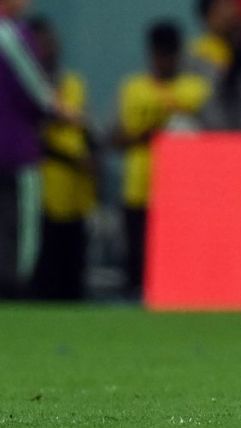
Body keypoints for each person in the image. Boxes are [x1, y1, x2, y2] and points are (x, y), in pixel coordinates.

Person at [116, 21, 209, 298]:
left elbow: (210, 136)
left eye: (169, 55)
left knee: (178, 260)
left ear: (179, 55)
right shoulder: (134, 88)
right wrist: (150, 135)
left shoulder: (196, 90)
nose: (164, 61)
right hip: (140, 186)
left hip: (182, 190)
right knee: (137, 259)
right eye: (159, 54)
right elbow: (115, 137)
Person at [0, 0, 75, 299]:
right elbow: (34, 86)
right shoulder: (9, 33)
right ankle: (16, 289)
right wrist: (61, 110)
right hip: (15, 148)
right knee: (23, 229)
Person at [29, 16, 95, 300]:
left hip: (76, 189)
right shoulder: (29, 89)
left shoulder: (72, 82)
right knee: (45, 262)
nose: (50, 48)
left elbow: (84, 123)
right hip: (44, 186)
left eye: (51, 41)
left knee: (73, 260)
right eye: (42, 43)